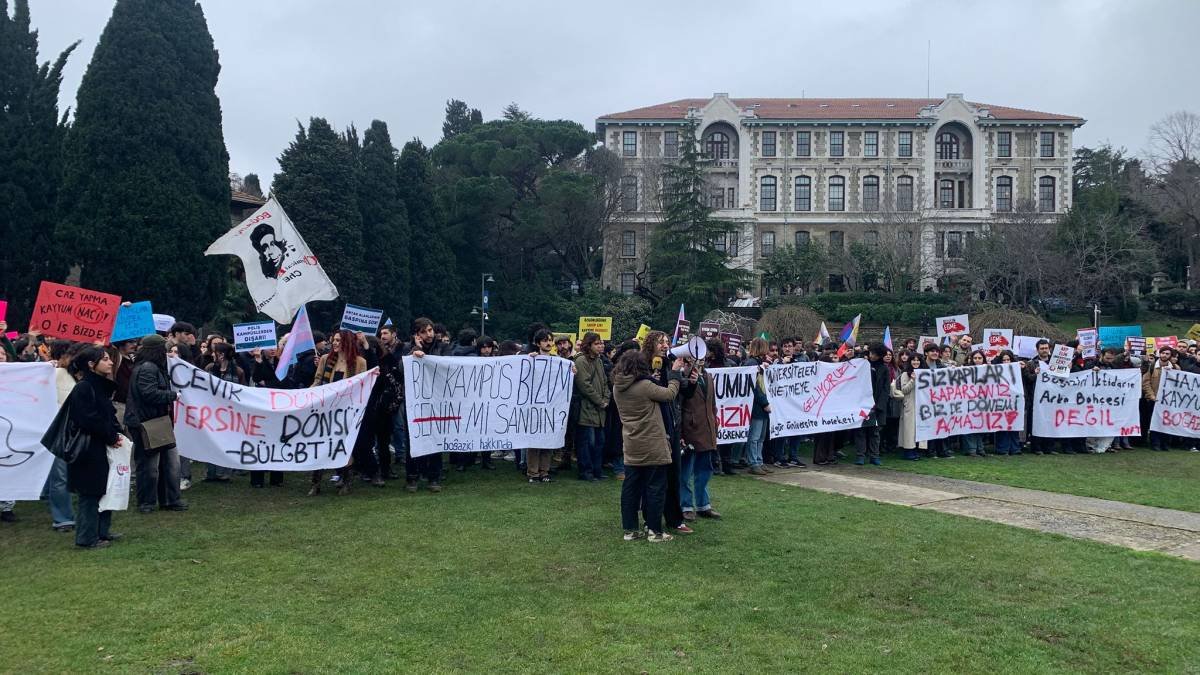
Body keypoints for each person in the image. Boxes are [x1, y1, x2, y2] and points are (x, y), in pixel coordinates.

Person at [612, 349, 686, 542]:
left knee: (631, 488)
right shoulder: (645, 385)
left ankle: (630, 529)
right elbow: (669, 394)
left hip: (631, 442)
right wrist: (675, 374)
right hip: (652, 443)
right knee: (655, 488)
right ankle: (654, 531)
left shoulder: (617, 387)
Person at [65, 346, 125, 549]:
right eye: (105, 359)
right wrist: (110, 436)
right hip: (89, 449)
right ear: (92, 365)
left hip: (100, 445)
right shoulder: (84, 387)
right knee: (90, 494)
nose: (110, 362)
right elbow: (88, 419)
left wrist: (115, 434)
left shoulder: (99, 385)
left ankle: (101, 532)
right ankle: (86, 538)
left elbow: (105, 414)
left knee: (104, 489)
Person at [125, 334, 187, 513]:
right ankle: (147, 502)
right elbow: (149, 393)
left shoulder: (152, 367)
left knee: (170, 463)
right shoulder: (147, 368)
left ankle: (169, 499)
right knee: (149, 466)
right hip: (146, 423)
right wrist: (172, 395)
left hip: (156, 421)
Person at [308, 330, 368, 495]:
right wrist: (305, 396)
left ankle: (346, 482)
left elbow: (361, 387)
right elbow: (318, 380)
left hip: (346, 413)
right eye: (333, 340)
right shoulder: (325, 359)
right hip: (326, 410)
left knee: (344, 446)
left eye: (338, 340)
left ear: (347, 342)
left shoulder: (359, 362)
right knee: (321, 445)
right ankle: (315, 483)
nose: (334, 343)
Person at [679, 345, 721, 522]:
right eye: (696, 355)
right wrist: (680, 432)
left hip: (707, 428)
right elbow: (678, 406)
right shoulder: (682, 376)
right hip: (690, 429)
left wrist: (714, 420)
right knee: (686, 471)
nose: (701, 358)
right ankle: (686, 506)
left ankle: (704, 505)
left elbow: (711, 403)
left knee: (705, 469)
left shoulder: (708, 376)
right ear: (688, 358)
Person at [402, 318, 443, 492]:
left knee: (436, 438)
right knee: (413, 440)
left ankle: (433, 477)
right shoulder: (406, 348)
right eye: (424, 331)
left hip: (437, 402)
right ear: (417, 334)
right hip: (415, 403)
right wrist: (415, 350)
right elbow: (401, 368)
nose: (429, 334)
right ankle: (412, 477)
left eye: (430, 330)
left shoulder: (441, 347)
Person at [573, 331, 609, 481]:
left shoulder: (599, 360)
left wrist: (606, 397)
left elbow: (605, 382)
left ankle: (597, 470)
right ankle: (586, 472)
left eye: (601, 343)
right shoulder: (581, 361)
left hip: (599, 409)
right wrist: (600, 401)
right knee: (587, 443)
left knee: (599, 443)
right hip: (586, 409)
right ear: (589, 345)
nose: (601, 346)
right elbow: (584, 385)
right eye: (597, 343)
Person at [525, 329, 557, 483]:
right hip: (534, 406)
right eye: (545, 340)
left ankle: (545, 471)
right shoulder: (531, 358)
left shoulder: (558, 361)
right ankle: (532, 473)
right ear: (538, 343)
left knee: (548, 440)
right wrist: (528, 359)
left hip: (551, 406)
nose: (548, 343)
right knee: (534, 441)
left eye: (550, 340)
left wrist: (571, 371)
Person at [854, 344, 890, 466]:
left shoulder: (884, 368)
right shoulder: (863, 364)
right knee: (861, 430)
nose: (872, 356)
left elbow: (886, 389)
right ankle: (860, 455)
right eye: (871, 353)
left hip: (876, 405)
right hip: (862, 403)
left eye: (875, 354)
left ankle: (874, 455)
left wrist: (879, 405)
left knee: (875, 432)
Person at [742, 338, 773, 476]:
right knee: (754, 436)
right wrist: (764, 402)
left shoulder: (760, 363)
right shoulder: (752, 364)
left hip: (763, 404)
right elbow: (755, 386)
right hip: (756, 405)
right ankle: (753, 462)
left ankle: (759, 461)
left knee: (760, 437)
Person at [891, 350, 925, 461]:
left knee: (918, 429)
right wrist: (913, 380)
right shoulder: (906, 374)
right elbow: (904, 390)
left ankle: (915, 450)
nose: (916, 362)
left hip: (921, 405)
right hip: (909, 404)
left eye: (918, 360)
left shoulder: (925, 373)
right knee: (909, 430)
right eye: (913, 360)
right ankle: (908, 452)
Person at [1143, 346, 1177, 451]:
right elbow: (1146, 382)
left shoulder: (1176, 368)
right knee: (1155, 422)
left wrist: (1172, 372)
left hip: (1168, 401)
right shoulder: (1152, 366)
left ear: (1170, 355)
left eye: (1167, 354)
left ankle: (1165, 444)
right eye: (1163, 353)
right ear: (1159, 353)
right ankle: (1155, 443)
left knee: (1167, 422)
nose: (1164, 355)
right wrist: (1152, 396)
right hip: (1154, 400)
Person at [991, 350, 1022, 455]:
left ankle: (1015, 448)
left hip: (1015, 402)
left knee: (1014, 425)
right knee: (1002, 425)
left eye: (1008, 359)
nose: (1006, 362)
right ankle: (1002, 448)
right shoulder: (997, 370)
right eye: (1004, 360)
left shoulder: (1018, 370)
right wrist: (997, 356)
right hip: (1001, 401)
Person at [959, 350, 990, 457]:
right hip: (968, 403)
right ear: (972, 359)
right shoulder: (965, 370)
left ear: (983, 359)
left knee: (980, 426)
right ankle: (971, 449)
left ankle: (980, 448)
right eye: (975, 358)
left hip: (982, 403)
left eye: (979, 358)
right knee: (969, 425)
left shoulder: (988, 369)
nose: (977, 360)